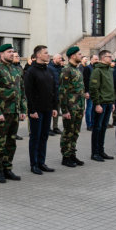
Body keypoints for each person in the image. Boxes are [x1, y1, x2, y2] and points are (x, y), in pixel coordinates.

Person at [0, 44, 27, 183]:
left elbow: (21, 91)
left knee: (11, 142)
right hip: (2, 113)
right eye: (9, 52)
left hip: (14, 112)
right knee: (0, 142)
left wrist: (23, 109)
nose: (12, 54)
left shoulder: (17, 70)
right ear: (2, 54)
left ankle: (7, 168)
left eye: (13, 52)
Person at [24, 45, 58, 174]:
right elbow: (29, 92)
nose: (48, 55)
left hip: (48, 108)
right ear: (38, 55)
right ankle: (34, 164)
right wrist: (32, 110)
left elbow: (54, 90)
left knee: (44, 136)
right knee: (35, 137)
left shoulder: (49, 70)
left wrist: (54, 107)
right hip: (36, 111)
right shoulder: (31, 71)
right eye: (46, 53)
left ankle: (41, 162)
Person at [58, 46, 87, 167]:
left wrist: (83, 106)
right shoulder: (66, 70)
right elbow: (62, 91)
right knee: (68, 132)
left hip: (79, 107)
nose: (81, 56)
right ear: (73, 56)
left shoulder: (78, 69)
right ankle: (66, 157)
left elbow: (81, 90)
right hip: (70, 107)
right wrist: (64, 110)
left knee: (75, 132)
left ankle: (72, 154)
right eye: (79, 54)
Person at [88, 50, 115, 162]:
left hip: (109, 102)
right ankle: (95, 152)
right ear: (103, 58)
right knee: (97, 128)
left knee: (103, 128)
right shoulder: (97, 70)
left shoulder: (109, 70)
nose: (111, 59)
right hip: (101, 103)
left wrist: (112, 102)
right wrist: (97, 103)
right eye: (109, 57)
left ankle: (101, 150)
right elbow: (94, 88)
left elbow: (111, 87)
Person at [47, 54, 64, 134]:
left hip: (59, 93)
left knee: (57, 110)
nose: (61, 59)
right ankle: (48, 127)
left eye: (61, 58)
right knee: (51, 111)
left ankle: (55, 127)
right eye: (59, 58)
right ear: (54, 59)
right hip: (52, 93)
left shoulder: (60, 68)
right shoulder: (49, 68)